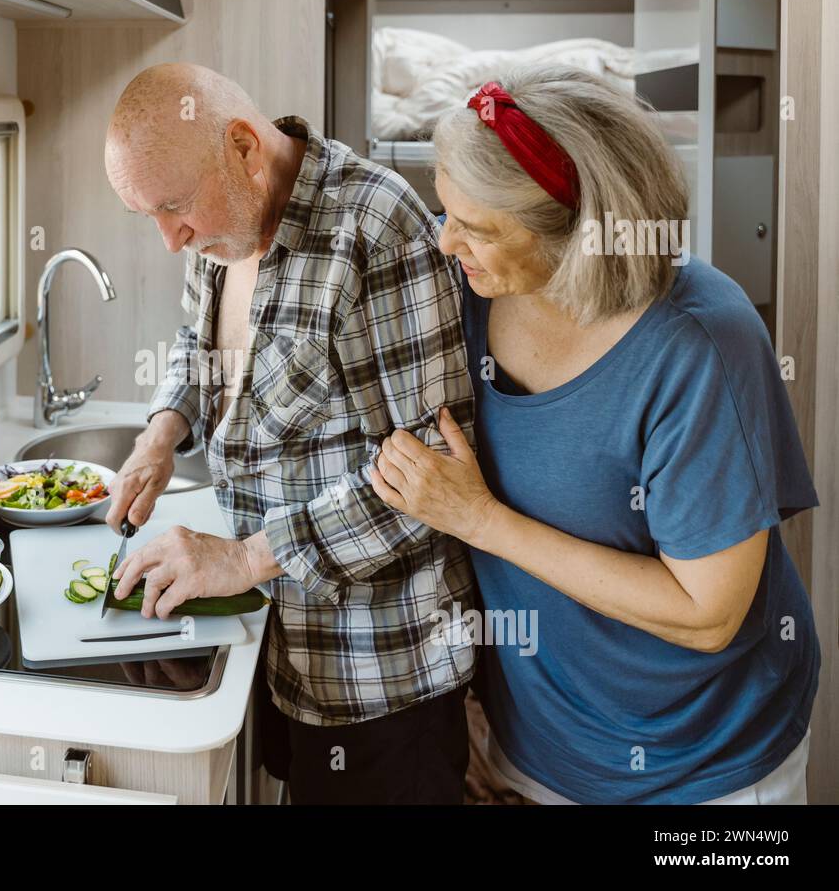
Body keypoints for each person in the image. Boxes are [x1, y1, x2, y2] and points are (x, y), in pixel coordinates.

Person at [371, 64, 820, 804]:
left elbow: (707, 614)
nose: (445, 243)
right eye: (444, 212)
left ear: (577, 231)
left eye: (475, 228)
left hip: (707, 770)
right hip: (533, 748)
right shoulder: (471, 293)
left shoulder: (700, 344)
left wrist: (481, 520)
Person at [102, 63, 476, 803]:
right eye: (147, 214)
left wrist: (244, 557)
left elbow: (435, 475)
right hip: (281, 642)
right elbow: (198, 341)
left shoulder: (377, 227)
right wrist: (162, 430)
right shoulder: (226, 227)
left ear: (243, 147)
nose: (170, 240)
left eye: (174, 207)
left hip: (382, 676)